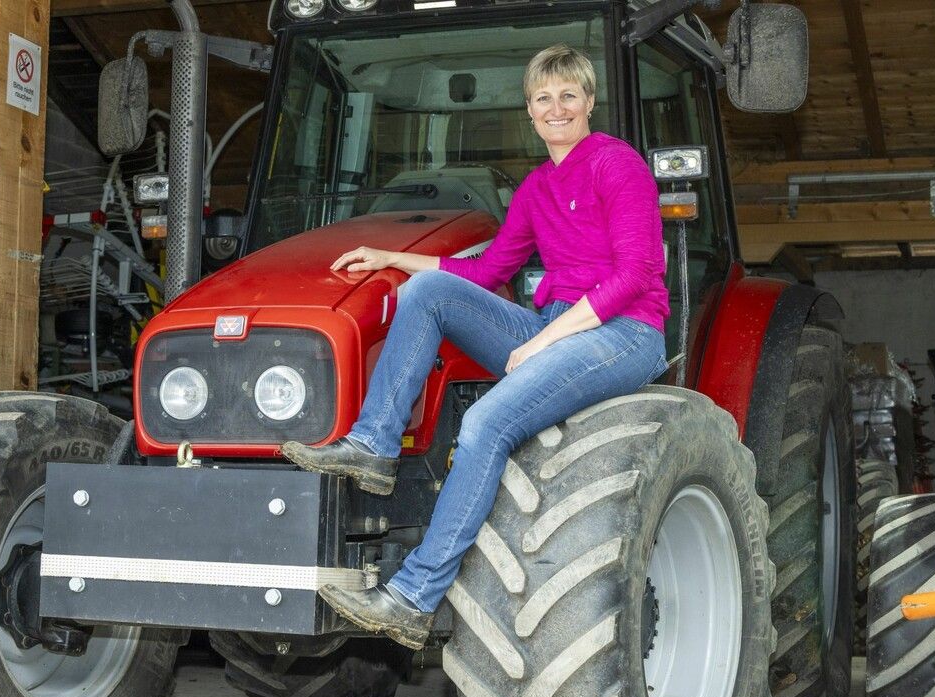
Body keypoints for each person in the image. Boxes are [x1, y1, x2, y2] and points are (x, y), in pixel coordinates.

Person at [281, 44, 670, 650]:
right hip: (557, 324)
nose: (557, 107)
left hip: (624, 333)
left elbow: (636, 276)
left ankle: (411, 597)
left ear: (590, 102)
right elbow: (486, 272)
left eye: (569, 95)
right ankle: (375, 446)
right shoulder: (537, 189)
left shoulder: (617, 166)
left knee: (487, 421)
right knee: (430, 291)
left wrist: (541, 340)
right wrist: (391, 259)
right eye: (544, 98)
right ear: (530, 112)